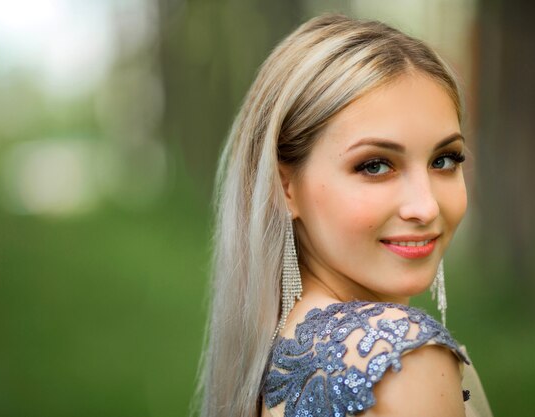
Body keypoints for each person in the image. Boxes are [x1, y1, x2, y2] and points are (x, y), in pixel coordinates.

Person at [196, 14, 493, 417]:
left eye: (444, 160)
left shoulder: (272, 352)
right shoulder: (403, 357)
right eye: (375, 166)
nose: (426, 207)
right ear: (286, 188)